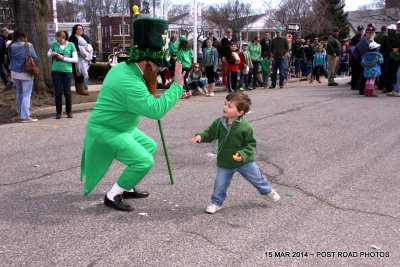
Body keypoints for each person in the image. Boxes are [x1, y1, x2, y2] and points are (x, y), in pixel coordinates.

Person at [80, 17, 185, 212]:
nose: (159, 69)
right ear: (146, 62)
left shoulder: (125, 68)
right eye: (157, 65)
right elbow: (155, 111)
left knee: (149, 146)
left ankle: (127, 186)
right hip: (107, 130)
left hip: (121, 127)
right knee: (144, 161)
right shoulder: (130, 83)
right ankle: (113, 195)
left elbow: (149, 100)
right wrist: (177, 86)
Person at [189, 91, 281, 214]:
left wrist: (243, 155)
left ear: (240, 112)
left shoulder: (245, 127)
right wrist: (200, 136)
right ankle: (216, 203)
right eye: (225, 104)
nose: (225, 107)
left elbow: (251, 144)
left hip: (244, 162)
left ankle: (268, 191)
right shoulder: (219, 123)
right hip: (225, 162)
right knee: (220, 184)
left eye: (229, 106)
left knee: (257, 179)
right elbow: (210, 134)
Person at [8, 29, 39, 123]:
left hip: (14, 72)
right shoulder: (28, 45)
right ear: (23, 36)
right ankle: (25, 116)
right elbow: (35, 57)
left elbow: (10, 58)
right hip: (26, 72)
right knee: (26, 94)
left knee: (19, 92)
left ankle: (20, 112)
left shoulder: (11, 45)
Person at [48, 30, 78, 119]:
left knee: (67, 92)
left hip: (67, 71)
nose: (58, 41)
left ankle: (69, 111)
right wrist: (52, 53)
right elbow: (48, 53)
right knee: (58, 92)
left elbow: (75, 59)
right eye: (57, 40)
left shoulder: (71, 45)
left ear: (64, 38)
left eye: (60, 40)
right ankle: (58, 112)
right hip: (56, 71)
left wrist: (64, 58)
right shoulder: (54, 44)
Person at [68, 24, 89, 95]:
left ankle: (81, 89)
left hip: (83, 57)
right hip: (76, 57)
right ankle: (80, 90)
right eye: (79, 29)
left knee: (82, 72)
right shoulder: (72, 37)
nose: (81, 30)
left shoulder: (82, 37)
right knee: (78, 72)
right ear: (75, 30)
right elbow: (73, 47)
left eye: (81, 29)